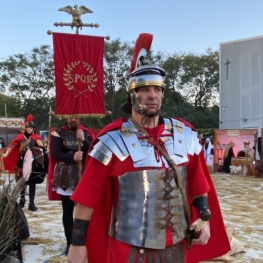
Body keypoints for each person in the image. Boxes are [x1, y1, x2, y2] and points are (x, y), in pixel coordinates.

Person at [67, 33, 230, 263]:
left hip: (176, 246)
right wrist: (77, 244)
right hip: (128, 250)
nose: (152, 94)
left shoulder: (183, 135)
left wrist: (204, 218)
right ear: (132, 96)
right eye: (144, 89)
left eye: (157, 89)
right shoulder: (112, 141)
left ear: (163, 94)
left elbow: (197, 182)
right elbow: (86, 198)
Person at [47, 117, 94, 255]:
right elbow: (56, 153)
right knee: (67, 212)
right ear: (67, 117)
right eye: (70, 116)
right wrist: (72, 157)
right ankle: (69, 243)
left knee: (84, 212)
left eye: (76, 117)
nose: (73, 119)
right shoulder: (58, 133)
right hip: (65, 177)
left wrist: (84, 140)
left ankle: (83, 241)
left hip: (83, 175)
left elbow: (93, 150)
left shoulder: (86, 133)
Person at [3, 114, 45, 211]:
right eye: (28, 128)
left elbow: (41, 146)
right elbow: (12, 146)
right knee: (22, 183)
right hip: (21, 162)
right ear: (25, 128)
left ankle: (32, 203)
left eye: (31, 128)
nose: (29, 129)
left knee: (32, 183)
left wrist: (43, 150)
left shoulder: (36, 137)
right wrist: (7, 153)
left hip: (33, 162)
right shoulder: (20, 137)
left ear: (33, 128)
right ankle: (22, 201)